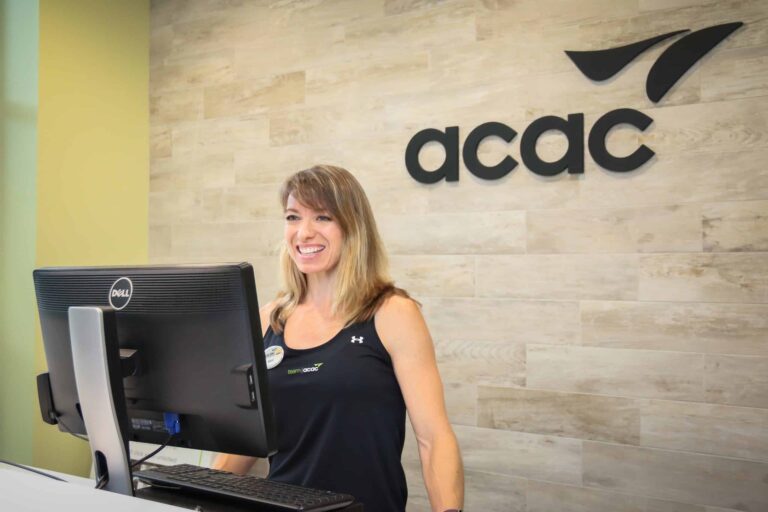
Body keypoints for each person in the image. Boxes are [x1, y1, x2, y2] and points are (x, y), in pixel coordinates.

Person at [214, 165, 464, 512]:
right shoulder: (270, 319)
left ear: (353, 227)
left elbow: (433, 438)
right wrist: (199, 492)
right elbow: (246, 440)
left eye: (322, 217)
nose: (303, 232)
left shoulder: (392, 313)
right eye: (292, 217)